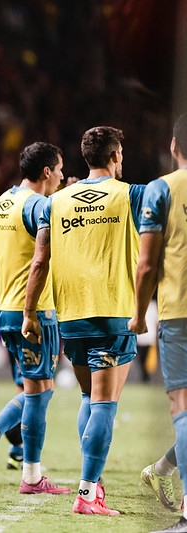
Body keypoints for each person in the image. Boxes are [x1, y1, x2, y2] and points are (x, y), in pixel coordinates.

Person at [22, 126, 145, 515]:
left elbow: (39, 261)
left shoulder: (55, 202)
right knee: (105, 403)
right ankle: (88, 494)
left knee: (89, 398)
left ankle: (95, 483)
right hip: (112, 313)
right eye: (120, 153)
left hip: (70, 317)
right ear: (114, 156)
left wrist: (29, 312)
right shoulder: (132, 195)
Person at [0, 142, 71, 494]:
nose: (61, 176)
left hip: (4, 309)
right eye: (59, 170)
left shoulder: (4, 201)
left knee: (34, 388)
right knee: (40, 393)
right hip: (34, 311)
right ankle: (32, 477)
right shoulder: (39, 204)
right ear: (46, 171)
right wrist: (31, 312)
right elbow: (40, 259)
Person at [129, 113, 187, 531]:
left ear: (173, 145)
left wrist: (138, 312)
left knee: (182, 407)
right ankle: (164, 469)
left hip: (178, 312)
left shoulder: (161, 189)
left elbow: (147, 264)